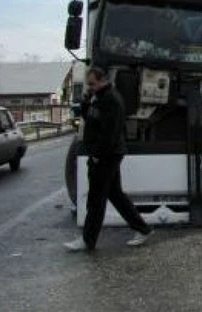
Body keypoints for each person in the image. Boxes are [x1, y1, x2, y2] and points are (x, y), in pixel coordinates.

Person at [64, 67, 153, 252]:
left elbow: (109, 133)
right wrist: (87, 99)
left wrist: (96, 156)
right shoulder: (99, 97)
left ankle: (88, 240)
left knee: (96, 199)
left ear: (103, 80)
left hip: (107, 155)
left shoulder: (111, 100)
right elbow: (87, 116)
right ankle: (143, 229)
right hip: (108, 154)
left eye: (92, 84)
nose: (90, 87)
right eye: (89, 84)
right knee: (115, 195)